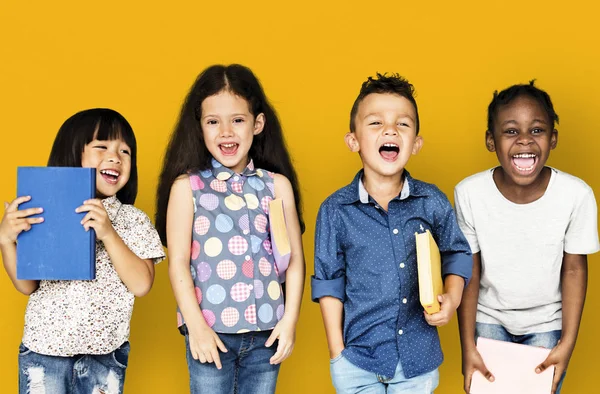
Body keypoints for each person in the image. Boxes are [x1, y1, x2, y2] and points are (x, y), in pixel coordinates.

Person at [312, 73, 472, 393]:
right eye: (375, 123)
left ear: (416, 143)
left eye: (403, 124)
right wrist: (336, 353)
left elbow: (457, 253)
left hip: (418, 362)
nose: (390, 130)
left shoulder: (431, 202)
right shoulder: (335, 210)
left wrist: (452, 300)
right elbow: (328, 281)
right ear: (353, 140)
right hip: (357, 361)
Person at [155, 64, 305, 394]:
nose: (226, 131)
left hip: (267, 330)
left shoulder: (276, 186)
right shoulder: (187, 187)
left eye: (237, 120)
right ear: (200, 127)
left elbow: (293, 260)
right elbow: (178, 262)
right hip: (211, 332)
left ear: (258, 123)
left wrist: (289, 320)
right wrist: (196, 326)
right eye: (213, 122)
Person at [0, 108, 165, 394]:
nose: (115, 157)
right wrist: (6, 241)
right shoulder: (45, 211)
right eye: (101, 146)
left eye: (125, 151)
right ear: (73, 152)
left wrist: (108, 233)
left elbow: (141, 284)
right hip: (43, 351)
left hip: (105, 356)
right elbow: (27, 286)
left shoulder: (132, 219)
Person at [455, 81, 599, 394]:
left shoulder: (576, 195)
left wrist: (568, 342)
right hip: (488, 318)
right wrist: (468, 346)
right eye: (510, 131)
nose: (524, 141)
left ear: (553, 139)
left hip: (547, 324)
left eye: (536, 130)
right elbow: (470, 269)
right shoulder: (469, 193)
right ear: (490, 141)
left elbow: (574, 269)